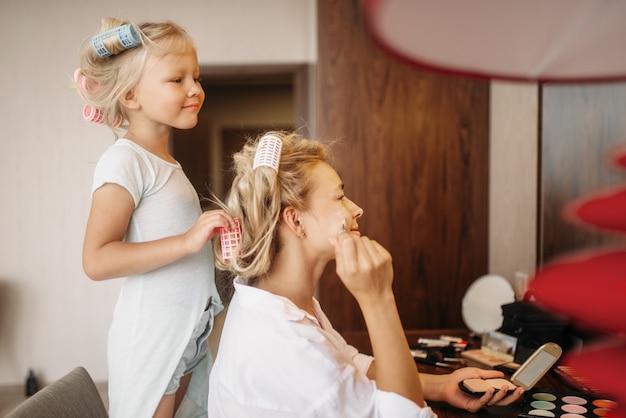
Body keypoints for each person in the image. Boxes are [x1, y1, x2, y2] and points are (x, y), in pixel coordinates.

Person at [208, 131, 525, 417]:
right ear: (296, 221)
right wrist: (379, 299)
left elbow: (345, 361)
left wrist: (438, 386)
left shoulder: (274, 299)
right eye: (340, 197)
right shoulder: (290, 349)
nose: (357, 209)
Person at [76, 17, 236, 418]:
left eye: (195, 78)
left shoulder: (164, 160)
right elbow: (96, 260)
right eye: (177, 79)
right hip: (155, 336)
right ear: (131, 95)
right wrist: (187, 241)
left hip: (187, 333)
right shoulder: (125, 159)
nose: (195, 89)